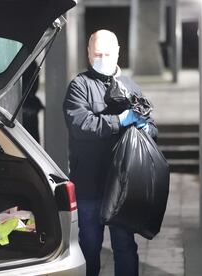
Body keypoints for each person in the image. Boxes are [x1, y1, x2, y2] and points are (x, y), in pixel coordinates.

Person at [62, 29, 158, 276]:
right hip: (89, 184)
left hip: (123, 185)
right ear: (88, 53)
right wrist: (120, 120)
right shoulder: (79, 86)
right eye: (97, 53)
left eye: (107, 53)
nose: (102, 58)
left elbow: (152, 128)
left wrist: (145, 127)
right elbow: (81, 125)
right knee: (89, 247)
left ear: (118, 53)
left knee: (125, 245)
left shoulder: (130, 87)